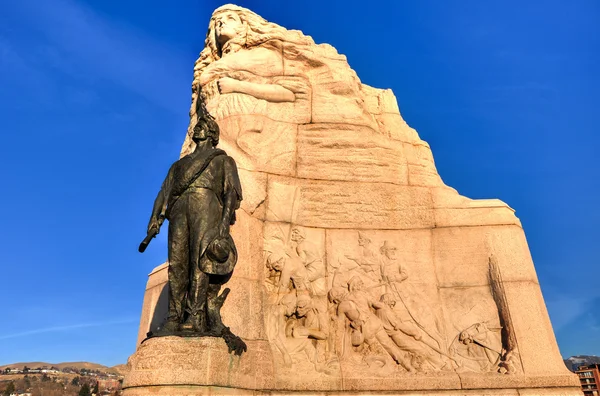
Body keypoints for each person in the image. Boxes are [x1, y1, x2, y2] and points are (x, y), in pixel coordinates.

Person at [146, 113, 243, 340]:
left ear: (211, 133)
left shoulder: (222, 160)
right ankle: (173, 316)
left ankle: (194, 316)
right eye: (197, 126)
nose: (197, 129)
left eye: (203, 126)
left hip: (207, 207)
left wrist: (223, 225)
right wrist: (154, 217)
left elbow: (231, 193)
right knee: (177, 263)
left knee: (200, 262)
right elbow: (164, 192)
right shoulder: (179, 165)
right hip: (179, 210)